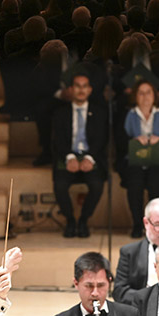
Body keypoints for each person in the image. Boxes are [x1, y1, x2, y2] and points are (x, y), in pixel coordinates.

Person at [50, 71, 107, 239]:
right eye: (77, 86)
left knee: (97, 184)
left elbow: (102, 139)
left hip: (91, 156)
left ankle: (83, 220)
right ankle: (70, 220)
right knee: (60, 185)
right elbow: (57, 140)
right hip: (68, 157)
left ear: (89, 89)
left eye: (84, 86)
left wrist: (89, 157)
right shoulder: (60, 112)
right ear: (71, 89)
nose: (81, 90)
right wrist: (69, 157)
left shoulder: (99, 112)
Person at [120, 80, 159, 238]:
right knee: (134, 184)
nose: (145, 96)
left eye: (148, 92)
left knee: (156, 183)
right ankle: (137, 224)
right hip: (134, 160)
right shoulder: (128, 114)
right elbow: (120, 141)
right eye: (141, 93)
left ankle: (157, 227)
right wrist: (134, 142)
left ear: (154, 95)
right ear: (135, 96)